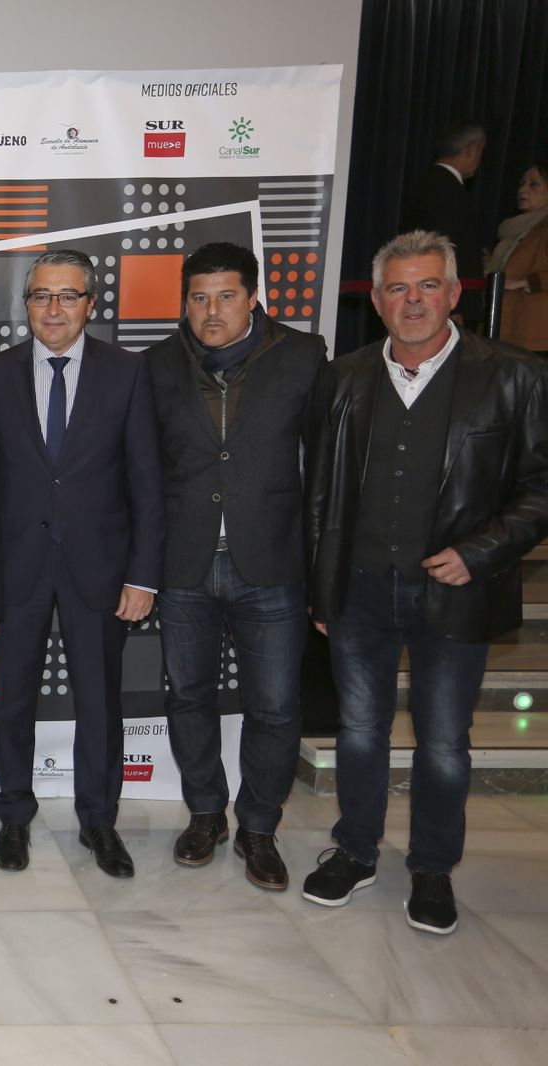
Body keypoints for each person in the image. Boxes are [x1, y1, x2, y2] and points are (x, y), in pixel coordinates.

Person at [304, 230, 548, 934]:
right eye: (398, 288)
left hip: (456, 593)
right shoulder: (344, 377)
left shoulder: (513, 375)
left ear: (454, 292)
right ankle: (355, 850)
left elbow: (540, 487)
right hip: (358, 590)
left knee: (443, 741)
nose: (413, 301)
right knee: (359, 731)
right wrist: (322, 587)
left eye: (427, 285)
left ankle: (433, 868)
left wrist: (480, 551)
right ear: (377, 301)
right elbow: (321, 493)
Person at [0, 249, 164, 879]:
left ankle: (99, 821)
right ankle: (14, 816)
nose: (54, 309)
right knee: (11, 700)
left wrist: (142, 574)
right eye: (41, 296)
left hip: (100, 568)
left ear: (90, 303)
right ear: (26, 304)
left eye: (68, 296)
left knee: (100, 702)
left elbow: (147, 482)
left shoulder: (127, 372)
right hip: (16, 568)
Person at [144, 242, 330, 890]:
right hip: (184, 564)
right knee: (188, 697)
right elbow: (143, 472)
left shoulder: (303, 356)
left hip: (272, 563)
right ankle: (205, 814)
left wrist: (322, 567)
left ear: (253, 298)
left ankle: (258, 826)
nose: (211, 311)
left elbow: (325, 466)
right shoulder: (157, 364)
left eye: (226, 296)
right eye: (198, 298)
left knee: (274, 707)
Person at [400, 121, 486, 324]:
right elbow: (447, 248)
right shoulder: (449, 190)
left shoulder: (428, 182)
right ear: (471, 150)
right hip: (446, 307)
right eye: (481, 151)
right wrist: (455, 308)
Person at [488, 160, 548, 356]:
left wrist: (524, 282)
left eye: (533, 184)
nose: (523, 189)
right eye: (521, 183)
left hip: (535, 335)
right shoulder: (515, 230)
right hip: (507, 328)